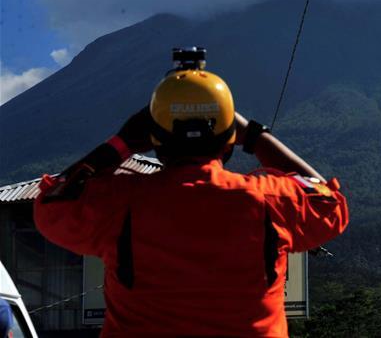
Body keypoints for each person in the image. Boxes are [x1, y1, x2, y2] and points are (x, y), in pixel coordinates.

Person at [34, 60, 348, 337]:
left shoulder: (120, 201)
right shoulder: (270, 199)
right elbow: (328, 201)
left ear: (153, 139)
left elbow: (54, 201)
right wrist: (253, 134)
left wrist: (122, 142)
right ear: (229, 139)